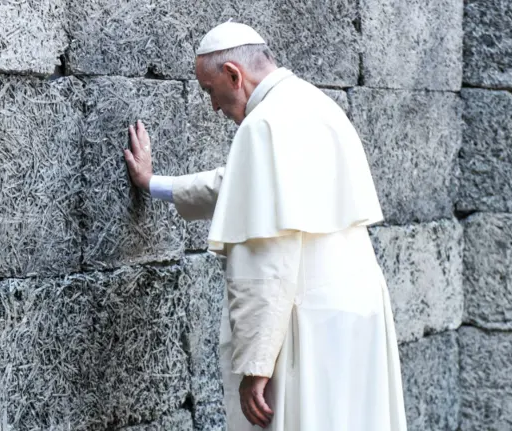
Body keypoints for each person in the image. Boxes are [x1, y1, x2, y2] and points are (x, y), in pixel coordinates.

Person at [123, 22, 407, 431]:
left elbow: (268, 256)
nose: (213, 107)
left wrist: (256, 364)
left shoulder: (263, 125)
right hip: (358, 312)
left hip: (305, 320)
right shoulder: (315, 103)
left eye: (209, 91)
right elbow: (245, 187)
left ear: (234, 75)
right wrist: (154, 184)